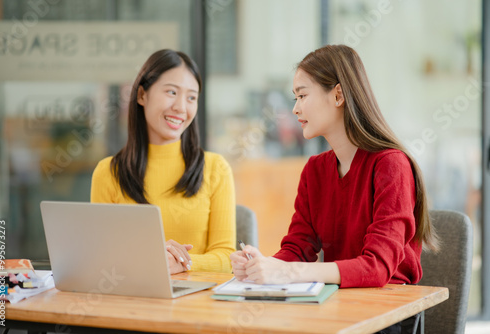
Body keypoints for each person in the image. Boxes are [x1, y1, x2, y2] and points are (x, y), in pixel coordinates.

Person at [231, 44, 439, 287]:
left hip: (388, 311)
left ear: (338, 95)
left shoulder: (392, 165)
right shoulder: (315, 170)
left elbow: (377, 268)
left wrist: (288, 272)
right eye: (295, 97)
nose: (295, 109)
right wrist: (262, 265)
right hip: (337, 302)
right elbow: (298, 249)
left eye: (302, 96)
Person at [91, 49, 236, 274]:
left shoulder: (216, 168)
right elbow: (100, 255)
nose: (181, 107)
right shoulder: (108, 172)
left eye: (191, 97)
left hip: (199, 303)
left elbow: (226, 257)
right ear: (142, 95)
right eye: (171, 92)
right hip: (132, 299)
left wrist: (179, 263)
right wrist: (154, 257)